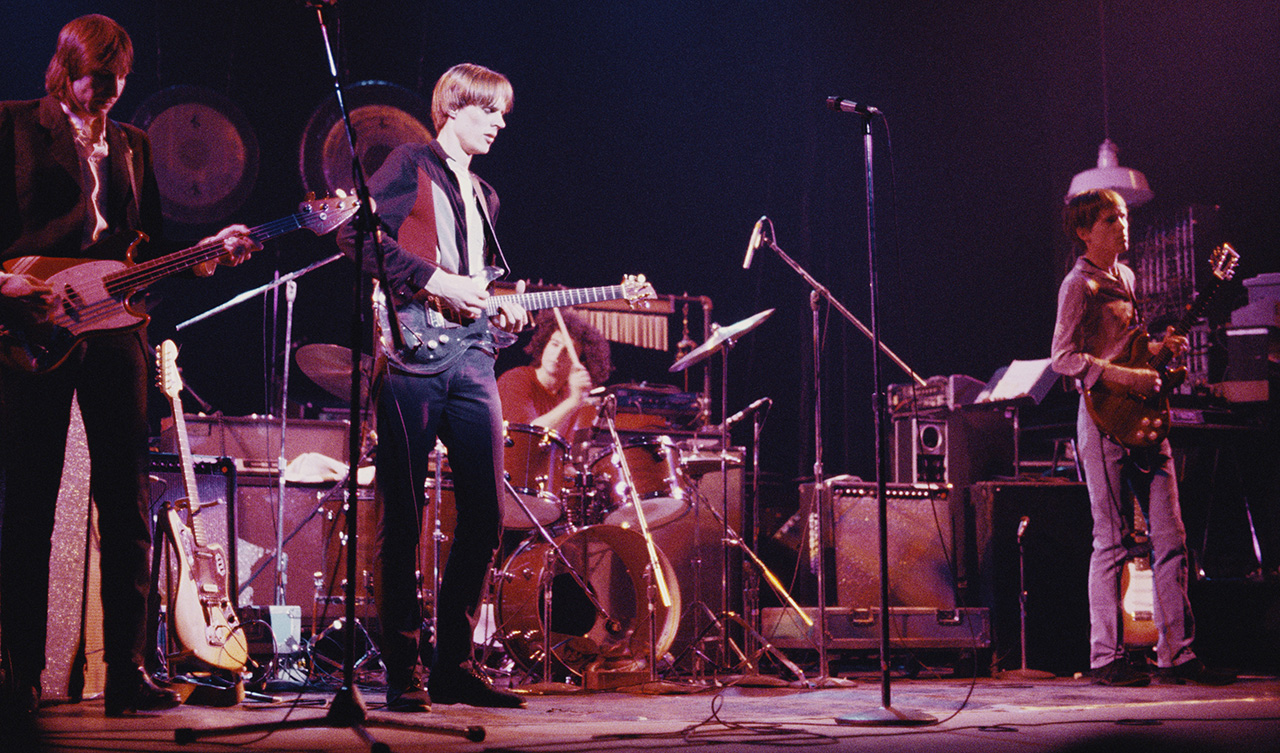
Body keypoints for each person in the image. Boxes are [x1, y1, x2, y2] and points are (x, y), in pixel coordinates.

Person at [0, 14, 259, 720]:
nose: (107, 95)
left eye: (118, 83)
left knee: (127, 501)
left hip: (114, 332)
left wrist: (202, 255)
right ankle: (19, 671)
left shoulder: (134, 144)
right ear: (65, 69)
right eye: (96, 81)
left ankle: (128, 670)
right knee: (27, 502)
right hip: (31, 326)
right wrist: (14, 287)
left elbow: (139, 253)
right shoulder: (14, 125)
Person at [337, 63, 529, 712]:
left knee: (485, 511)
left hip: (472, 358)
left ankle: (454, 662)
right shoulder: (405, 163)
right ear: (454, 108)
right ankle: (402, 669)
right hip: (411, 357)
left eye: (503, 113)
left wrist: (500, 306)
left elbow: (476, 279)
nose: (501, 122)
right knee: (404, 513)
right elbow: (355, 240)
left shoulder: (487, 196)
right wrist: (437, 282)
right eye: (490, 111)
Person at [1050, 188, 1234, 687]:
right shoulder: (1078, 286)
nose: (1122, 225)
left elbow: (1126, 347)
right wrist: (1124, 377)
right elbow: (1062, 358)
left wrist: (1156, 350)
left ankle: (1177, 654)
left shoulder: (1126, 278)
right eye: (1111, 219)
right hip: (1104, 420)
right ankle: (1106, 656)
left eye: (1125, 216)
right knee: (1111, 540)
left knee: (1171, 538)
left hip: (1145, 420)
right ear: (1086, 231)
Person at [498, 308, 612, 439]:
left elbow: (557, 452)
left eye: (567, 351)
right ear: (544, 344)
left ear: (582, 363)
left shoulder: (568, 396)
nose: (557, 355)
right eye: (554, 344)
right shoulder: (515, 379)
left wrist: (574, 400)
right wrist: (574, 401)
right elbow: (527, 439)